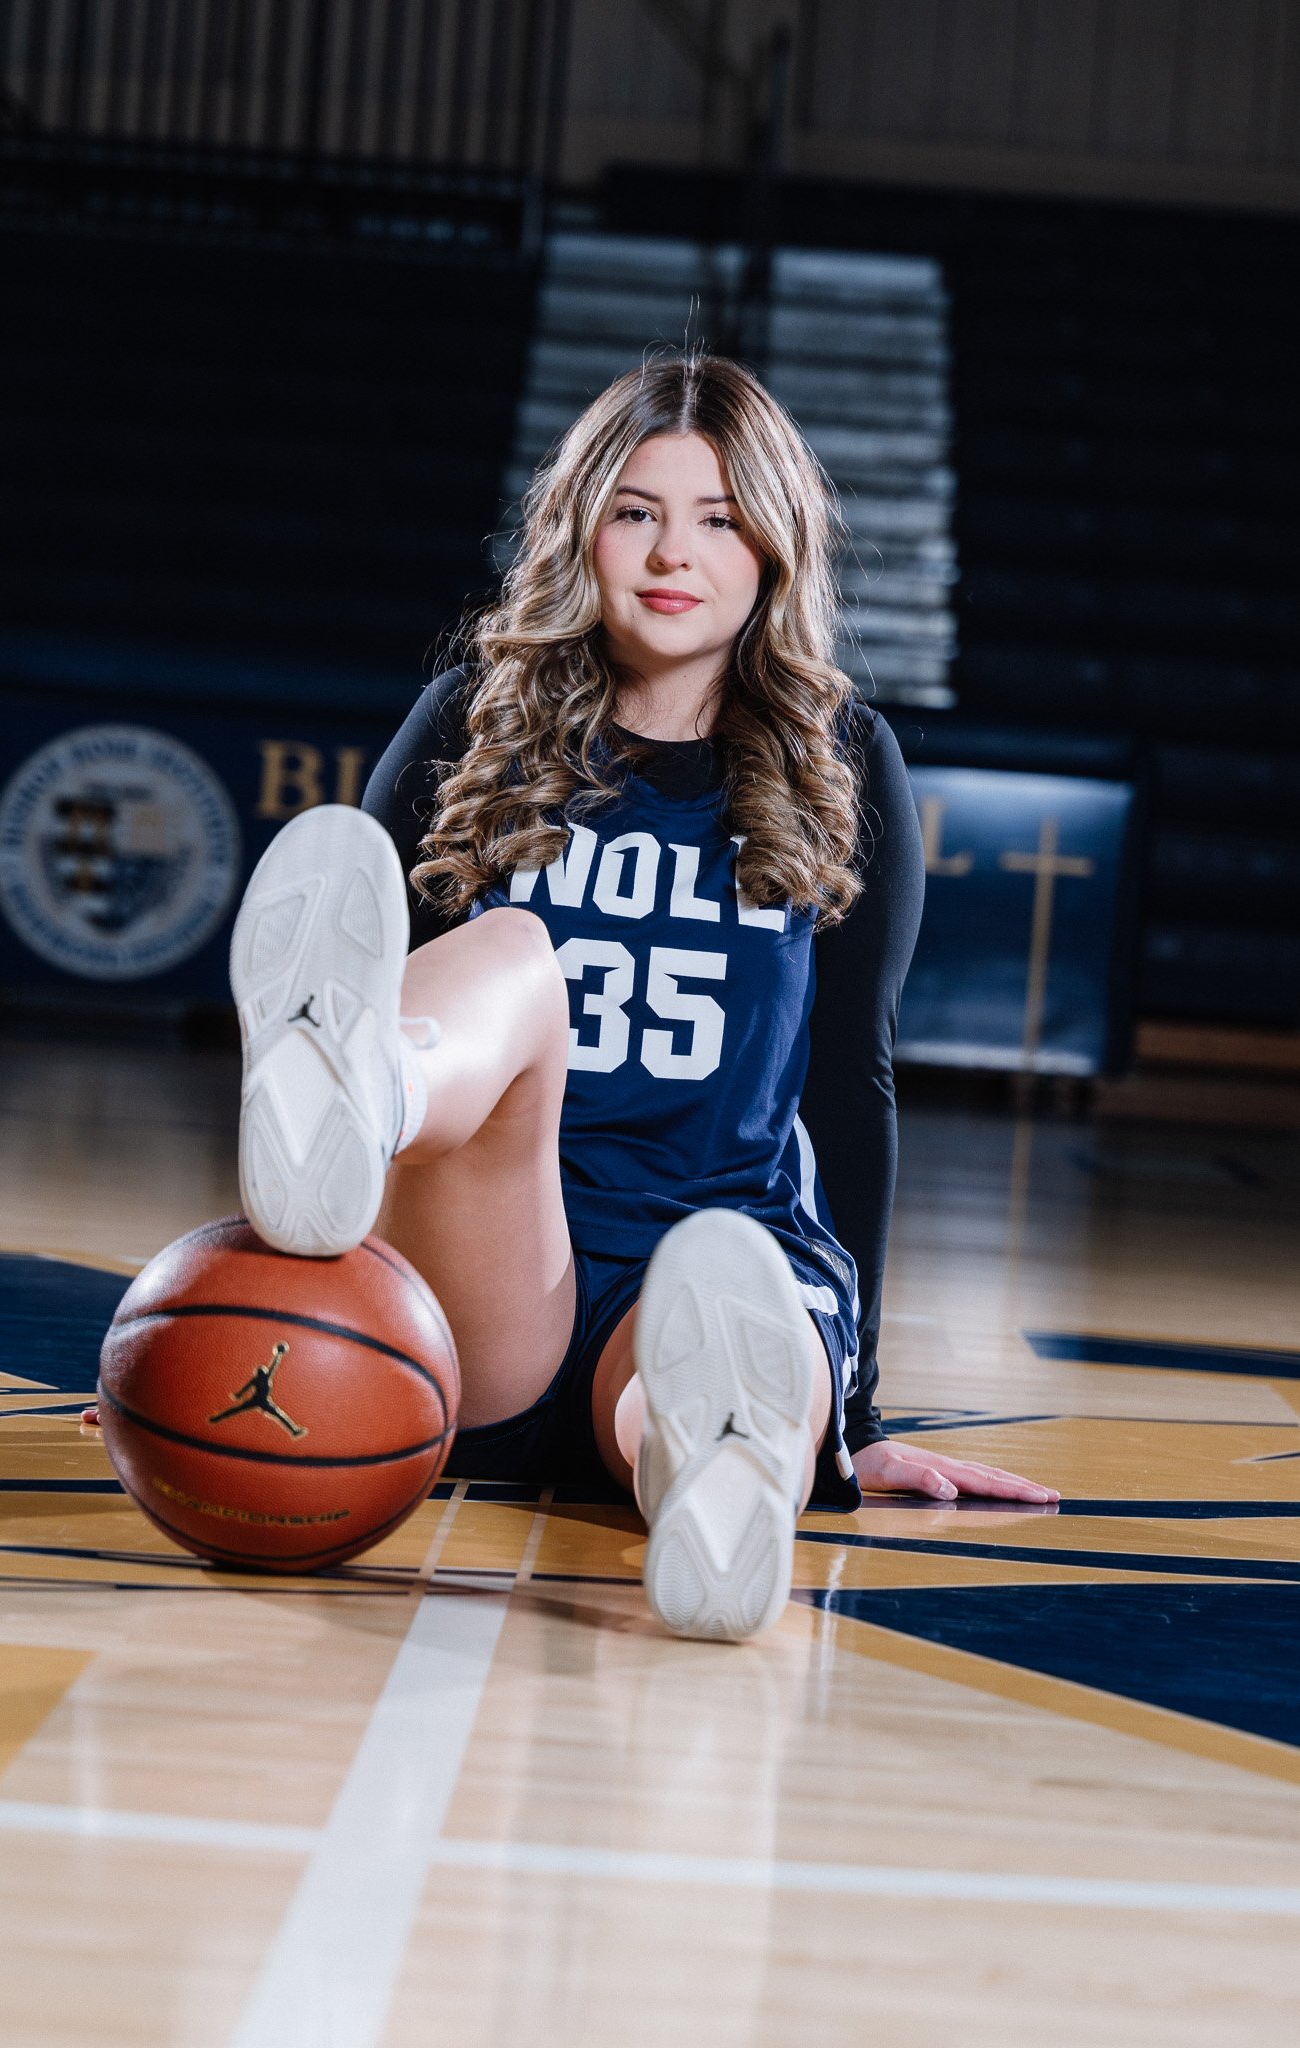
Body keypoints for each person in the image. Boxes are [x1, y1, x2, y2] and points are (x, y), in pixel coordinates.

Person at [229, 354, 1057, 1643]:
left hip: (719, 1241)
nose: (675, 554)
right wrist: (241, 1317)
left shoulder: (841, 762)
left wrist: (860, 1418)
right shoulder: (475, 726)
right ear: (580, 531)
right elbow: (327, 1005)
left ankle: (715, 1489)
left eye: (720, 520)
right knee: (506, 963)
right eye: (636, 511)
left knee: (713, 1350)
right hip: (492, 1258)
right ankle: (378, 1092)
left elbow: (853, 1080)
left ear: (775, 549)